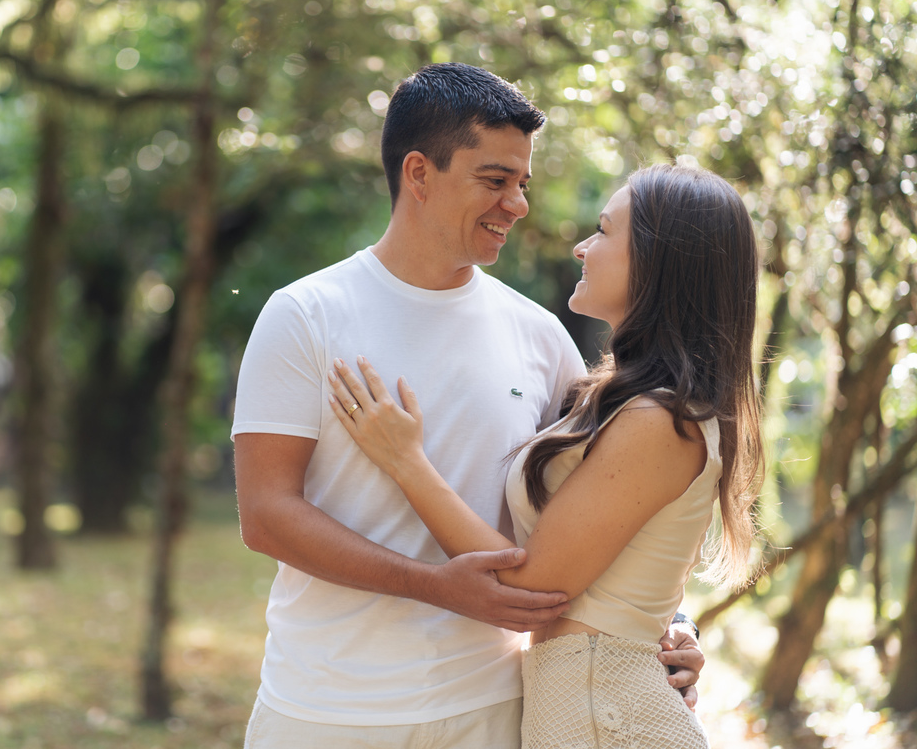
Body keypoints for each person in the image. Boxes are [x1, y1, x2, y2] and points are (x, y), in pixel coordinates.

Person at [232, 63, 703, 748]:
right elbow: (266, 515)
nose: (518, 205)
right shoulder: (305, 315)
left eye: (523, 184)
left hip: (494, 709)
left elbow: (611, 507)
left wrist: (673, 624)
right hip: (326, 709)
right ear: (419, 174)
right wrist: (433, 584)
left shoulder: (540, 335)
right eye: (495, 180)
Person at [327, 162, 763, 747]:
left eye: (603, 231)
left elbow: (530, 587)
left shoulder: (658, 420)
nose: (582, 247)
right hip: (587, 706)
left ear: (659, 263)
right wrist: (675, 623)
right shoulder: (621, 400)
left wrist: (406, 462)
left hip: (608, 717)